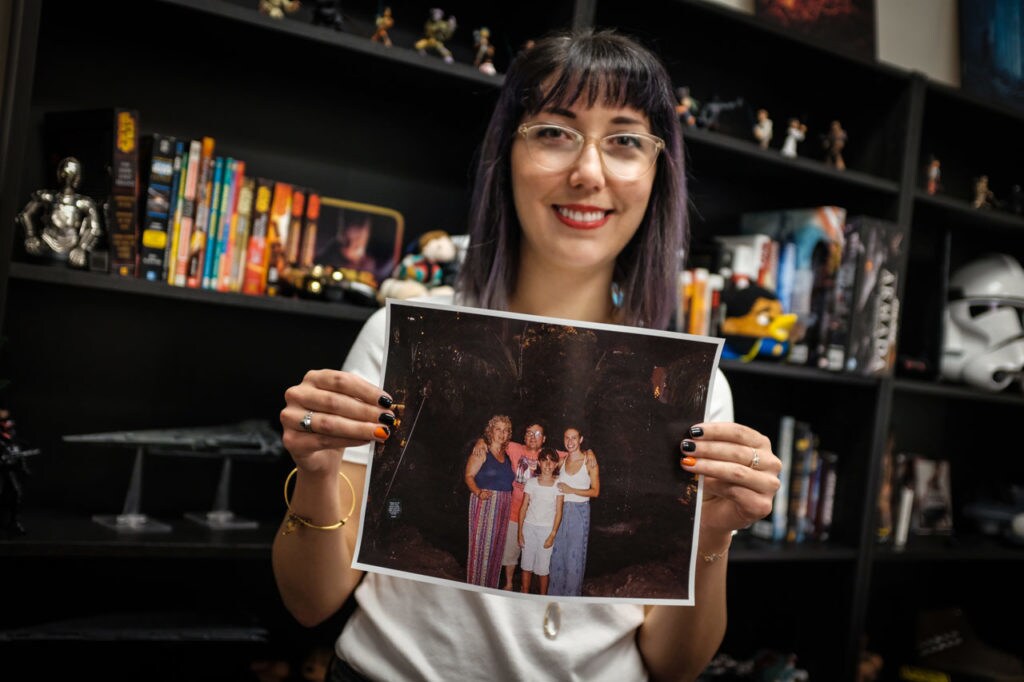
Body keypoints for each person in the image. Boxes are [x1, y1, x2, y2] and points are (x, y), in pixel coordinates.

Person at [274, 28, 781, 681]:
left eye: (625, 140)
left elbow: (675, 665)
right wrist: (315, 474)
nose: (588, 172)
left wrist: (712, 537)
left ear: (657, 172)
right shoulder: (400, 340)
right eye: (553, 131)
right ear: (505, 154)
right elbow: (310, 603)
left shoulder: (691, 388)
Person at [16, 156, 103, 269]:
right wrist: (30, 235)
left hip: (71, 248)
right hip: (46, 244)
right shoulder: (48, 197)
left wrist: (81, 247)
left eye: (72, 172)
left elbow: (94, 229)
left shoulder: (84, 203)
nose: (68, 176)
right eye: (65, 171)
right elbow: (25, 214)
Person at [463, 414, 515, 587]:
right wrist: (478, 492)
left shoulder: (506, 455)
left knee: (496, 551)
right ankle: (475, 590)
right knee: (481, 551)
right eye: (498, 429)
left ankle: (490, 589)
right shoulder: (481, 451)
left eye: (505, 430)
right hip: (486, 502)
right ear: (491, 431)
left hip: (503, 505)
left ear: (509, 434)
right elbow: (469, 476)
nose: (502, 433)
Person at [548, 426, 598, 596]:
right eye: (567, 438)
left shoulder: (589, 462)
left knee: (574, 559)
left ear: (581, 440)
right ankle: (553, 599)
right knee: (556, 558)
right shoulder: (561, 461)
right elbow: (542, 455)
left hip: (579, 511)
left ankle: (571, 600)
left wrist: (572, 490)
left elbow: (595, 491)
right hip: (560, 511)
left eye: (574, 438)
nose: (570, 442)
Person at [518, 446, 564, 595]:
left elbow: (559, 512)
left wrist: (552, 534)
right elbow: (524, 507)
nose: (548, 464)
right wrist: (520, 532)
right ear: (539, 462)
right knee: (526, 566)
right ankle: (524, 593)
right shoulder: (531, 482)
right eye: (544, 461)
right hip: (529, 528)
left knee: (543, 569)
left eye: (552, 461)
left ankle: (542, 598)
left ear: (556, 464)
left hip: (546, 530)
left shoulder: (558, 485)